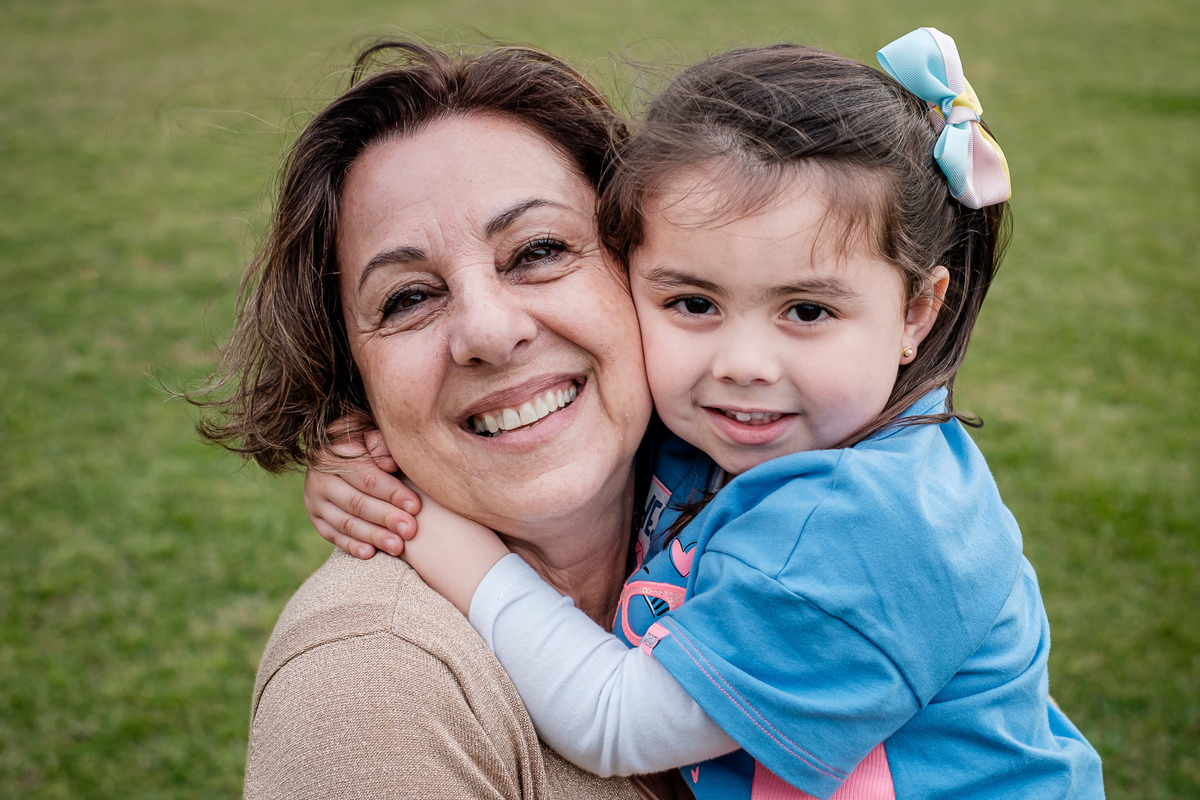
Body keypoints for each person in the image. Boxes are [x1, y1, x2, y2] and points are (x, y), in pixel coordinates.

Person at [307, 30, 1105, 799]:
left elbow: (616, 721)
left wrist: (423, 523)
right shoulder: (733, 431)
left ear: (916, 312)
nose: (741, 364)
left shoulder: (873, 525)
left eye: (807, 311)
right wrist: (362, 456)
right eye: (693, 303)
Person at [191, 38, 694, 800]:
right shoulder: (372, 686)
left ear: (647, 272)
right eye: (409, 299)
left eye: (538, 250)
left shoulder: (776, 495)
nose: (489, 331)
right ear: (352, 379)